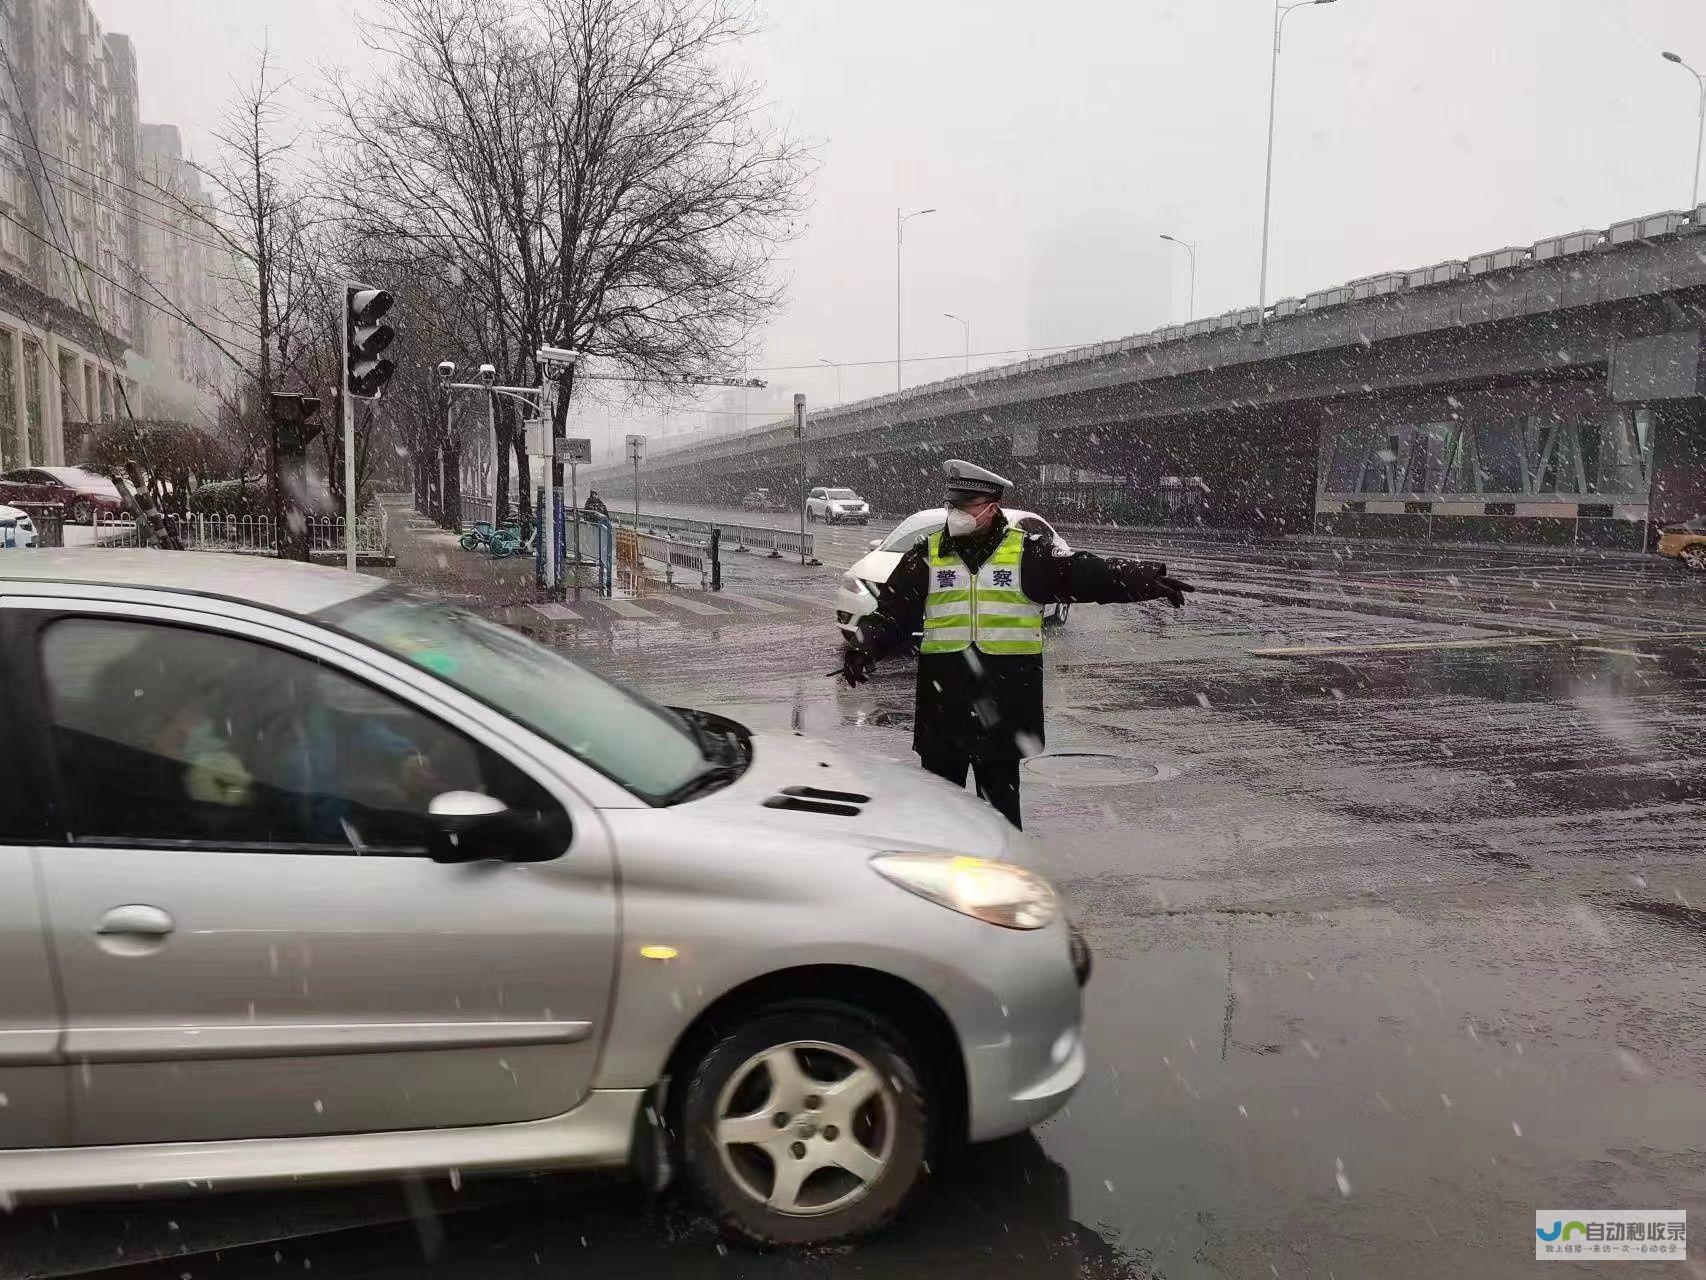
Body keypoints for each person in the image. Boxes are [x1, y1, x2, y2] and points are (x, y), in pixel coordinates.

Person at [840, 459, 1195, 830]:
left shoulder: (1028, 554)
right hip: (944, 713)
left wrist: (1142, 579)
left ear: (991, 508)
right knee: (939, 821)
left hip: (1004, 710)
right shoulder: (927, 555)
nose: (955, 514)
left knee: (1001, 820)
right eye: (952, 505)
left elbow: (1087, 574)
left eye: (965, 506)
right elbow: (893, 611)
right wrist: (864, 646)